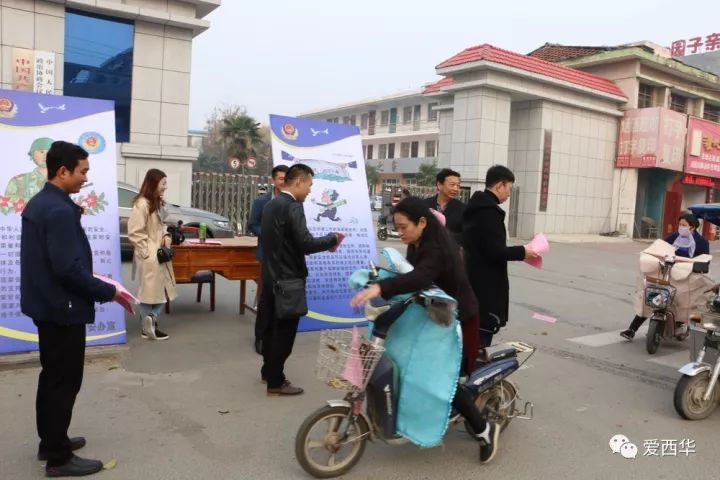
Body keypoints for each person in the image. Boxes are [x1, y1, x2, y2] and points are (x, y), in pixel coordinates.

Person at [350, 197, 500, 463]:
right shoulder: (418, 244)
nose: (400, 232)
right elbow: (409, 275)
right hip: (435, 315)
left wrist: (382, 288)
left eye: (403, 226)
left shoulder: (436, 248)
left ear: (421, 222)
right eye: (397, 227)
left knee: (444, 382)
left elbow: (420, 277)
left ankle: (483, 429)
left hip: (460, 320)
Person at [20, 141, 123, 477]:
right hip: (61, 309)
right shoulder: (58, 210)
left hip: (47, 305)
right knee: (64, 381)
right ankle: (58, 458)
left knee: (52, 377)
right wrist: (110, 291)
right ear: (62, 171)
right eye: (83, 171)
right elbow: (67, 270)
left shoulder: (43, 202)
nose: (86, 178)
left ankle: (51, 442)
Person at [260, 164, 340, 396]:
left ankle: (268, 371)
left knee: (271, 329)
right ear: (299, 182)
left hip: (271, 276)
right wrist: (332, 238)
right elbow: (305, 243)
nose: (310, 190)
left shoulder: (271, 205)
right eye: (309, 185)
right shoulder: (293, 206)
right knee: (284, 333)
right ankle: (276, 382)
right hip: (289, 279)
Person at [463, 165, 538, 350]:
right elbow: (495, 251)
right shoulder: (489, 213)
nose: (509, 194)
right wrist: (523, 252)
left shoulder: (474, 208)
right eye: (509, 189)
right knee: (479, 343)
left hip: (472, 280)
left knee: (470, 339)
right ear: (500, 185)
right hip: (485, 288)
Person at [620, 212, 710, 340]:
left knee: (684, 306)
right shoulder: (674, 237)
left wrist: (695, 266)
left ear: (693, 227)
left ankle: (683, 327)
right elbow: (660, 248)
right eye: (680, 224)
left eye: (684, 225)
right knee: (652, 298)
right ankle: (632, 329)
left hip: (686, 279)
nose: (681, 227)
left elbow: (705, 261)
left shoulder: (702, 242)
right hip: (667, 274)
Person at [128, 169, 178, 341]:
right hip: (150, 255)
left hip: (158, 253)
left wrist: (166, 236)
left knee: (158, 291)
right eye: (163, 183)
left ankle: (150, 321)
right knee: (149, 292)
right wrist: (147, 253)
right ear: (154, 183)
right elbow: (135, 232)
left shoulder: (155, 202)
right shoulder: (142, 204)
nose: (165, 186)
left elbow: (161, 226)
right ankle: (148, 326)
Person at [248, 165, 288, 354]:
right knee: (265, 297)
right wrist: (269, 234)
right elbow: (252, 224)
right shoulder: (261, 201)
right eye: (281, 178)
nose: (284, 182)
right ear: (273, 180)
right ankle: (261, 337)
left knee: (282, 297)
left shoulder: (293, 202)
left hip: (286, 258)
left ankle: (276, 334)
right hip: (267, 255)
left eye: (287, 179)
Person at [5, 137, 54, 205]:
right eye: (41, 152)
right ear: (32, 154)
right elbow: (7, 206)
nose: (45, 156)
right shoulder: (18, 181)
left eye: (49, 152)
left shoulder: (64, 181)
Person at [423, 168, 465, 245]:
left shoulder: (463, 209)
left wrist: (445, 235)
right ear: (439, 185)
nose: (456, 189)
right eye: (452, 185)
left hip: (450, 251)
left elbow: (465, 236)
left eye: (458, 186)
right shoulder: (425, 205)